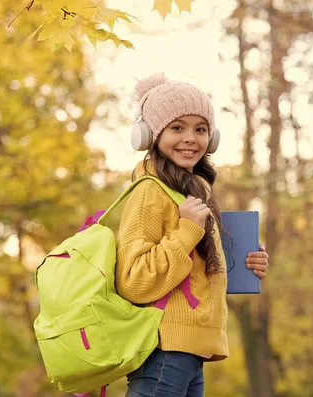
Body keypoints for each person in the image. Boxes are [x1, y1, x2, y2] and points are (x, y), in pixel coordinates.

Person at [115, 74, 269, 397]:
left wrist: (243, 263)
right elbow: (132, 279)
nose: (191, 138)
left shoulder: (193, 191)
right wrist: (187, 232)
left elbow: (193, 272)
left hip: (190, 352)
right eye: (177, 128)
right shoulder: (148, 193)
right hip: (163, 351)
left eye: (200, 129)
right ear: (151, 135)